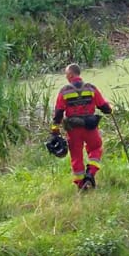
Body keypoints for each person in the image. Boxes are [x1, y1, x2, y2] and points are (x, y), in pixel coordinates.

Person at [51, 63, 112, 191]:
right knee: (96, 148)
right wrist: (109, 109)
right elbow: (104, 106)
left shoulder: (64, 91)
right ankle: (90, 173)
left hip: (73, 130)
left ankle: (81, 185)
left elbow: (58, 113)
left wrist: (54, 130)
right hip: (90, 127)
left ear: (71, 75)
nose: (66, 77)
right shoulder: (91, 88)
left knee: (76, 156)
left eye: (66, 74)